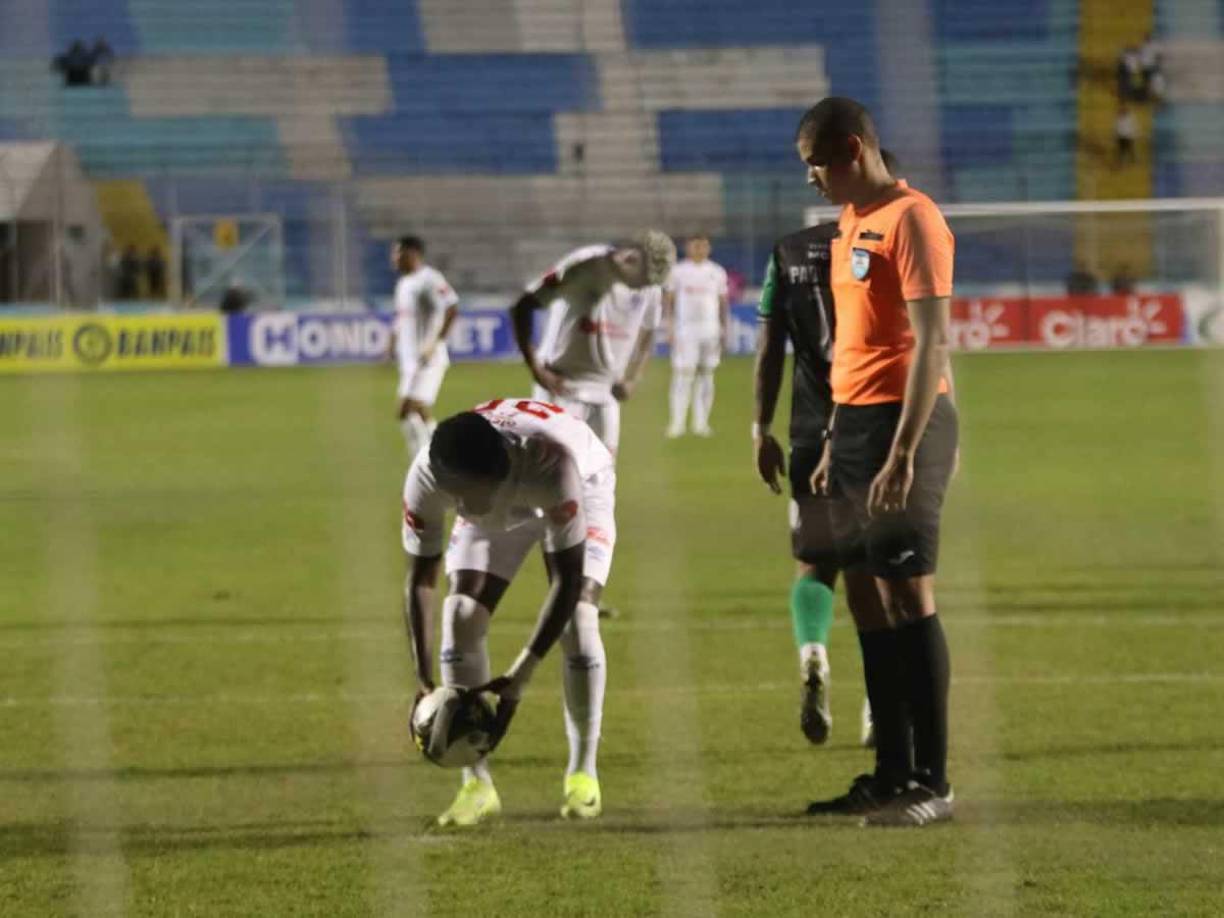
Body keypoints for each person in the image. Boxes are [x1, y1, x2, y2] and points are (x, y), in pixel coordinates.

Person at [796, 97, 959, 827]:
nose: (812, 181)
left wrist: (901, 452)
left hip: (907, 426)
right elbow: (856, 342)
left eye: (816, 166)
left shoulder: (914, 219)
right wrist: (836, 438)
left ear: (853, 149)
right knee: (864, 593)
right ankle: (890, 771)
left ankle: (934, 781)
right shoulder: (849, 223)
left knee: (907, 594)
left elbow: (932, 343)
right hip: (854, 427)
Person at [401, 400, 617, 826]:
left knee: (580, 619)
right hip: (509, 489)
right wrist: (424, 679)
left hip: (583, 486)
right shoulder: (427, 474)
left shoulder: (553, 465)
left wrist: (519, 678)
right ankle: (476, 785)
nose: (470, 503)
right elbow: (420, 580)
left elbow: (567, 581)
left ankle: (583, 774)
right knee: (460, 613)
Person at [753, 150, 901, 750]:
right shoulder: (879, 248)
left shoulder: (785, 253)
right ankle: (879, 704)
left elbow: (768, 349)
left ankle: (814, 653)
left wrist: (758, 430)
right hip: (871, 428)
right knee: (883, 575)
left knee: (815, 561)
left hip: (805, 430)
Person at [511, 230, 676, 457]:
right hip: (560, 386)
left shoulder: (651, 286)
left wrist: (632, 378)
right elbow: (523, 306)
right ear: (631, 259)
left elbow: (648, 330)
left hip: (606, 391)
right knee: (555, 477)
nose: (645, 287)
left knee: (603, 480)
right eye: (643, 280)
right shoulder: (585, 264)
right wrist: (537, 369)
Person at [388, 236, 459, 460]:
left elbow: (452, 307)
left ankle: (427, 458)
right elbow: (402, 318)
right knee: (412, 411)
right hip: (409, 360)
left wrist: (436, 343)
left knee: (408, 408)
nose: (394, 259)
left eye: (398, 253)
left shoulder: (430, 279)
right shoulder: (403, 284)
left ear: (413, 253)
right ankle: (432, 455)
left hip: (428, 358)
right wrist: (391, 341)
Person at [664, 234, 729, 437]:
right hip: (686, 330)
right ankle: (677, 423)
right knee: (683, 375)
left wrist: (724, 328)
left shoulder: (716, 272)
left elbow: (723, 302)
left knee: (706, 374)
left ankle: (701, 423)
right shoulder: (678, 271)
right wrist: (669, 327)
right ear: (688, 247)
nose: (700, 249)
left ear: (708, 248)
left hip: (710, 330)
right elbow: (669, 301)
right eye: (696, 246)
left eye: (703, 246)